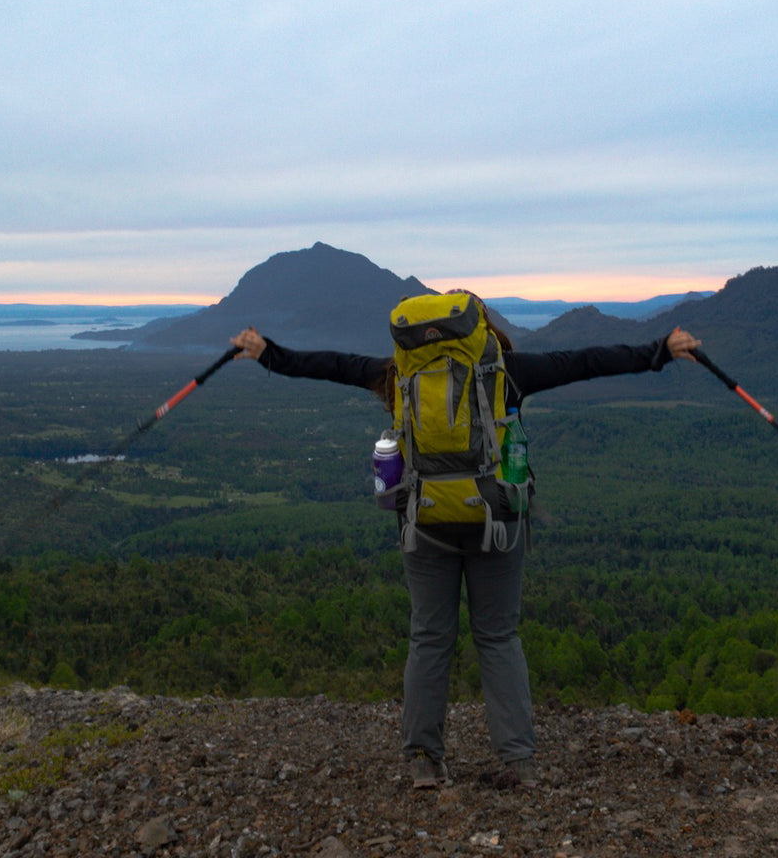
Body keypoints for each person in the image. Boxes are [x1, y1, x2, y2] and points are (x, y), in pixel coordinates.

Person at [231, 309, 701, 789]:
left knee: (430, 637)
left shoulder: (399, 374)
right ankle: (518, 761)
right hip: (494, 519)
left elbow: (333, 364)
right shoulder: (507, 373)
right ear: (481, 332)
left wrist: (267, 353)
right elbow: (583, 362)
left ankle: (422, 761)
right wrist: (660, 350)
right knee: (498, 637)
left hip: (426, 519)